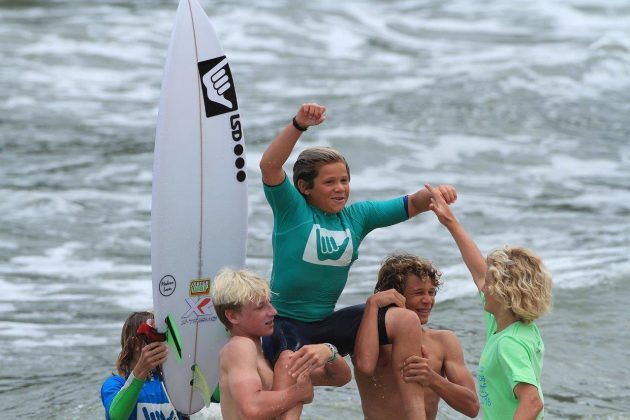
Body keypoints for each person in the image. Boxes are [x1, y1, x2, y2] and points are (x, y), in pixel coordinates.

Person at [259, 102, 458, 419]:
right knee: (292, 367)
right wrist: (298, 125)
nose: (340, 189)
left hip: (328, 324)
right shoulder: (291, 210)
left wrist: (437, 195)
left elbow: (410, 204)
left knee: (404, 318)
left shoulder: (356, 217)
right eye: (330, 182)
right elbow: (269, 166)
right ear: (304, 187)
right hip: (287, 323)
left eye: (344, 181)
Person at [426, 183, 553, 419]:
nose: (484, 286)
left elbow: (532, 402)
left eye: (491, 283)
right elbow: (478, 271)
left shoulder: (509, 344)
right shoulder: (510, 326)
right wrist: (450, 222)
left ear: (507, 294)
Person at [211, 268, 351, 420]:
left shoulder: (264, 352)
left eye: (270, 303)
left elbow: (339, 378)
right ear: (233, 316)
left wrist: (329, 352)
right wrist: (298, 392)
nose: (273, 312)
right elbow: (251, 408)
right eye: (260, 307)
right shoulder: (239, 346)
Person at [353, 253, 480, 419]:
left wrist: (432, 378)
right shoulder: (367, 338)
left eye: (432, 292)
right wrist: (372, 305)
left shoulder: (444, 341)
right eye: (419, 292)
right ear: (394, 295)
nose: (428, 300)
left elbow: (472, 407)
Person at [101, 311, 185, 420]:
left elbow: (213, 396)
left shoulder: (173, 382)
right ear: (135, 344)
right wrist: (141, 369)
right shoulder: (114, 385)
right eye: (155, 336)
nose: (163, 344)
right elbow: (117, 417)